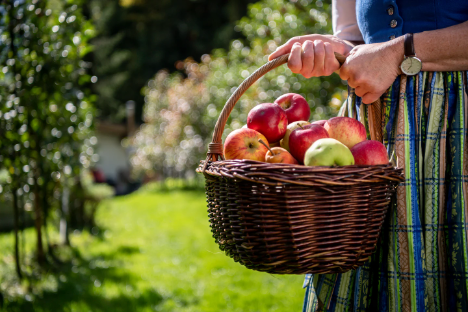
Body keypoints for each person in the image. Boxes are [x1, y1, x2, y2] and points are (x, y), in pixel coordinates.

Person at [269, 0, 468, 311]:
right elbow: (358, 45)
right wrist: (336, 52)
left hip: (454, 122)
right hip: (370, 129)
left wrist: (398, 52)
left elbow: (385, 54)